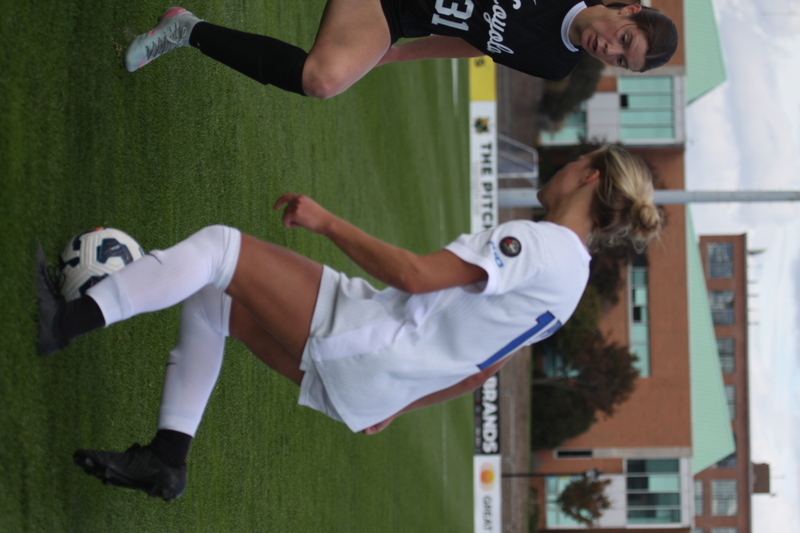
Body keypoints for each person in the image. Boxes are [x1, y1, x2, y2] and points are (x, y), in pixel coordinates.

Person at [36, 145, 662, 500]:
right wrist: (393, 406)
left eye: (577, 160)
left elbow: (416, 276)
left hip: (368, 338)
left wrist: (328, 222)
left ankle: (62, 323)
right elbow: (481, 373)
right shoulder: (572, 283)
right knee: (213, 300)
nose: (564, 167)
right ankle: (166, 460)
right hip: (375, 382)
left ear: (591, 174)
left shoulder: (544, 244)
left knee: (221, 249)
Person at [124, 1, 678, 99]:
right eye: (622, 40)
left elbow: (477, 43)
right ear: (627, 10)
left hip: (394, 12)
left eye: (618, 61)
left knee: (324, 79)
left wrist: (398, 54)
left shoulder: (556, 63)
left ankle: (185, 30)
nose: (608, 48)